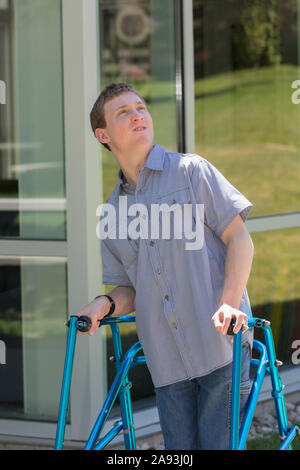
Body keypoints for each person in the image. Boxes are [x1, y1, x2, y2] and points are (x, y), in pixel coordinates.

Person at [76, 82, 255, 450]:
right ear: (103, 135)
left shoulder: (191, 172)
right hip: (166, 364)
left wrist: (229, 302)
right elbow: (128, 289)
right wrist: (104, 305)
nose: (138, 115)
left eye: (141, 107)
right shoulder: (112, 213)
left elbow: (241, 241)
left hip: (220, 348)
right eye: (123, 112)